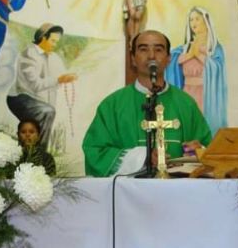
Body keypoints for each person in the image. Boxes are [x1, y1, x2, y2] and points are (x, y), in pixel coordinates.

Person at [82, 30, 212, 177]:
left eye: (158, 49)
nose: (151, 56)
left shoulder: (186, 104)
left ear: (169, 58)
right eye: (143, 49)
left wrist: (199, 151)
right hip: (130, 190)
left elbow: (211, 150)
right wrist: (143, 158)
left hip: (177, 188)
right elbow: (96, 152)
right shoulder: (112, 105)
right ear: (133, 58)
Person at [7, 24, 77, 148]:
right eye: (53, 41)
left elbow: (58, 82)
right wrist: (59, 79)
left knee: (48, 113)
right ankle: (39, 151)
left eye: (56, 42)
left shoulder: (54, 58)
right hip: (21, 98)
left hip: (40, 102)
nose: (55, 45)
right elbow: (35, 85)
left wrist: (65, 79)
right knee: (47, 112)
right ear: (43, 38)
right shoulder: (29, 53)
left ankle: (38, 152)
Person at [165, 6, 227, 136]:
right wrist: (190, 54)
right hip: (186, 92)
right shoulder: (186, 47)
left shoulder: (213, 47)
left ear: (205, 21)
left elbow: (216, 67)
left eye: (197, 19)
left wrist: (198, 54)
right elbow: (173, 60)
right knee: (186, 127)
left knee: (202, 128)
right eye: (191, 19)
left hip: (204, 94)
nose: (193, 23)